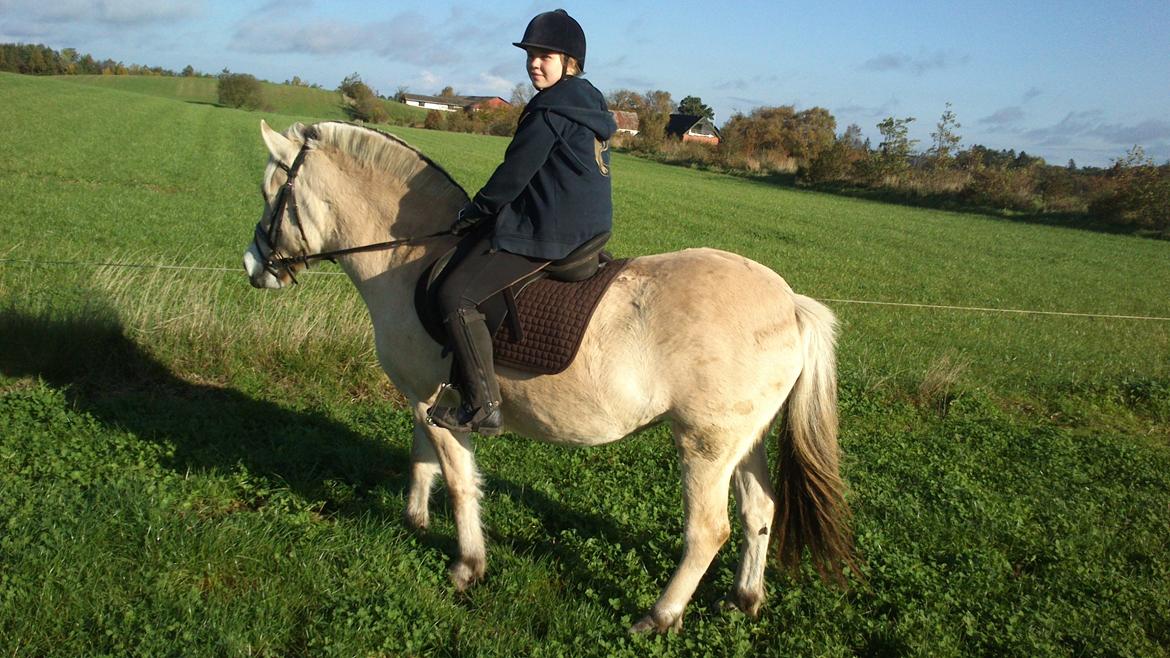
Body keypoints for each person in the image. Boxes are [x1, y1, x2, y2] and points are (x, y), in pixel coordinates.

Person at [428, 9, 617, 435]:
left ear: (570, 62)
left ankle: (482, 405)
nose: (534, 61)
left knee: (455, 295)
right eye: (530, 53)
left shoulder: (550, 109)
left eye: (545, 54)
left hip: (551, 234)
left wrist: (473, 212)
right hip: (588, 231)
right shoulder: (588, 102)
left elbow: (513, 175)